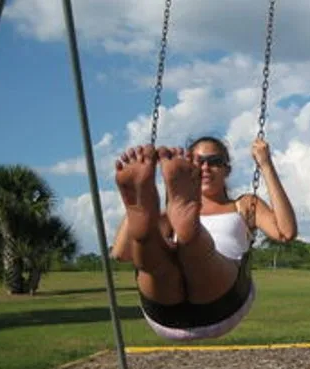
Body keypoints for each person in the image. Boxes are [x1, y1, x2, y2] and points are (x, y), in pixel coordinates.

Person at [111, 136, 297, 340]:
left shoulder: (244, 205)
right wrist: (141, 204)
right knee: (153, 256)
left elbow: (285, 232)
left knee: (195, 253)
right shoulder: (166, 216)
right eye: (198, 161)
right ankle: (147, 218)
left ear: (227, 170)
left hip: (223, 301)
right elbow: (121, 253)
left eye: (215, 161)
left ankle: (189, 233)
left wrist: (265, 164)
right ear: (188, 167)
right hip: (165, 309)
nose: (206, 167)